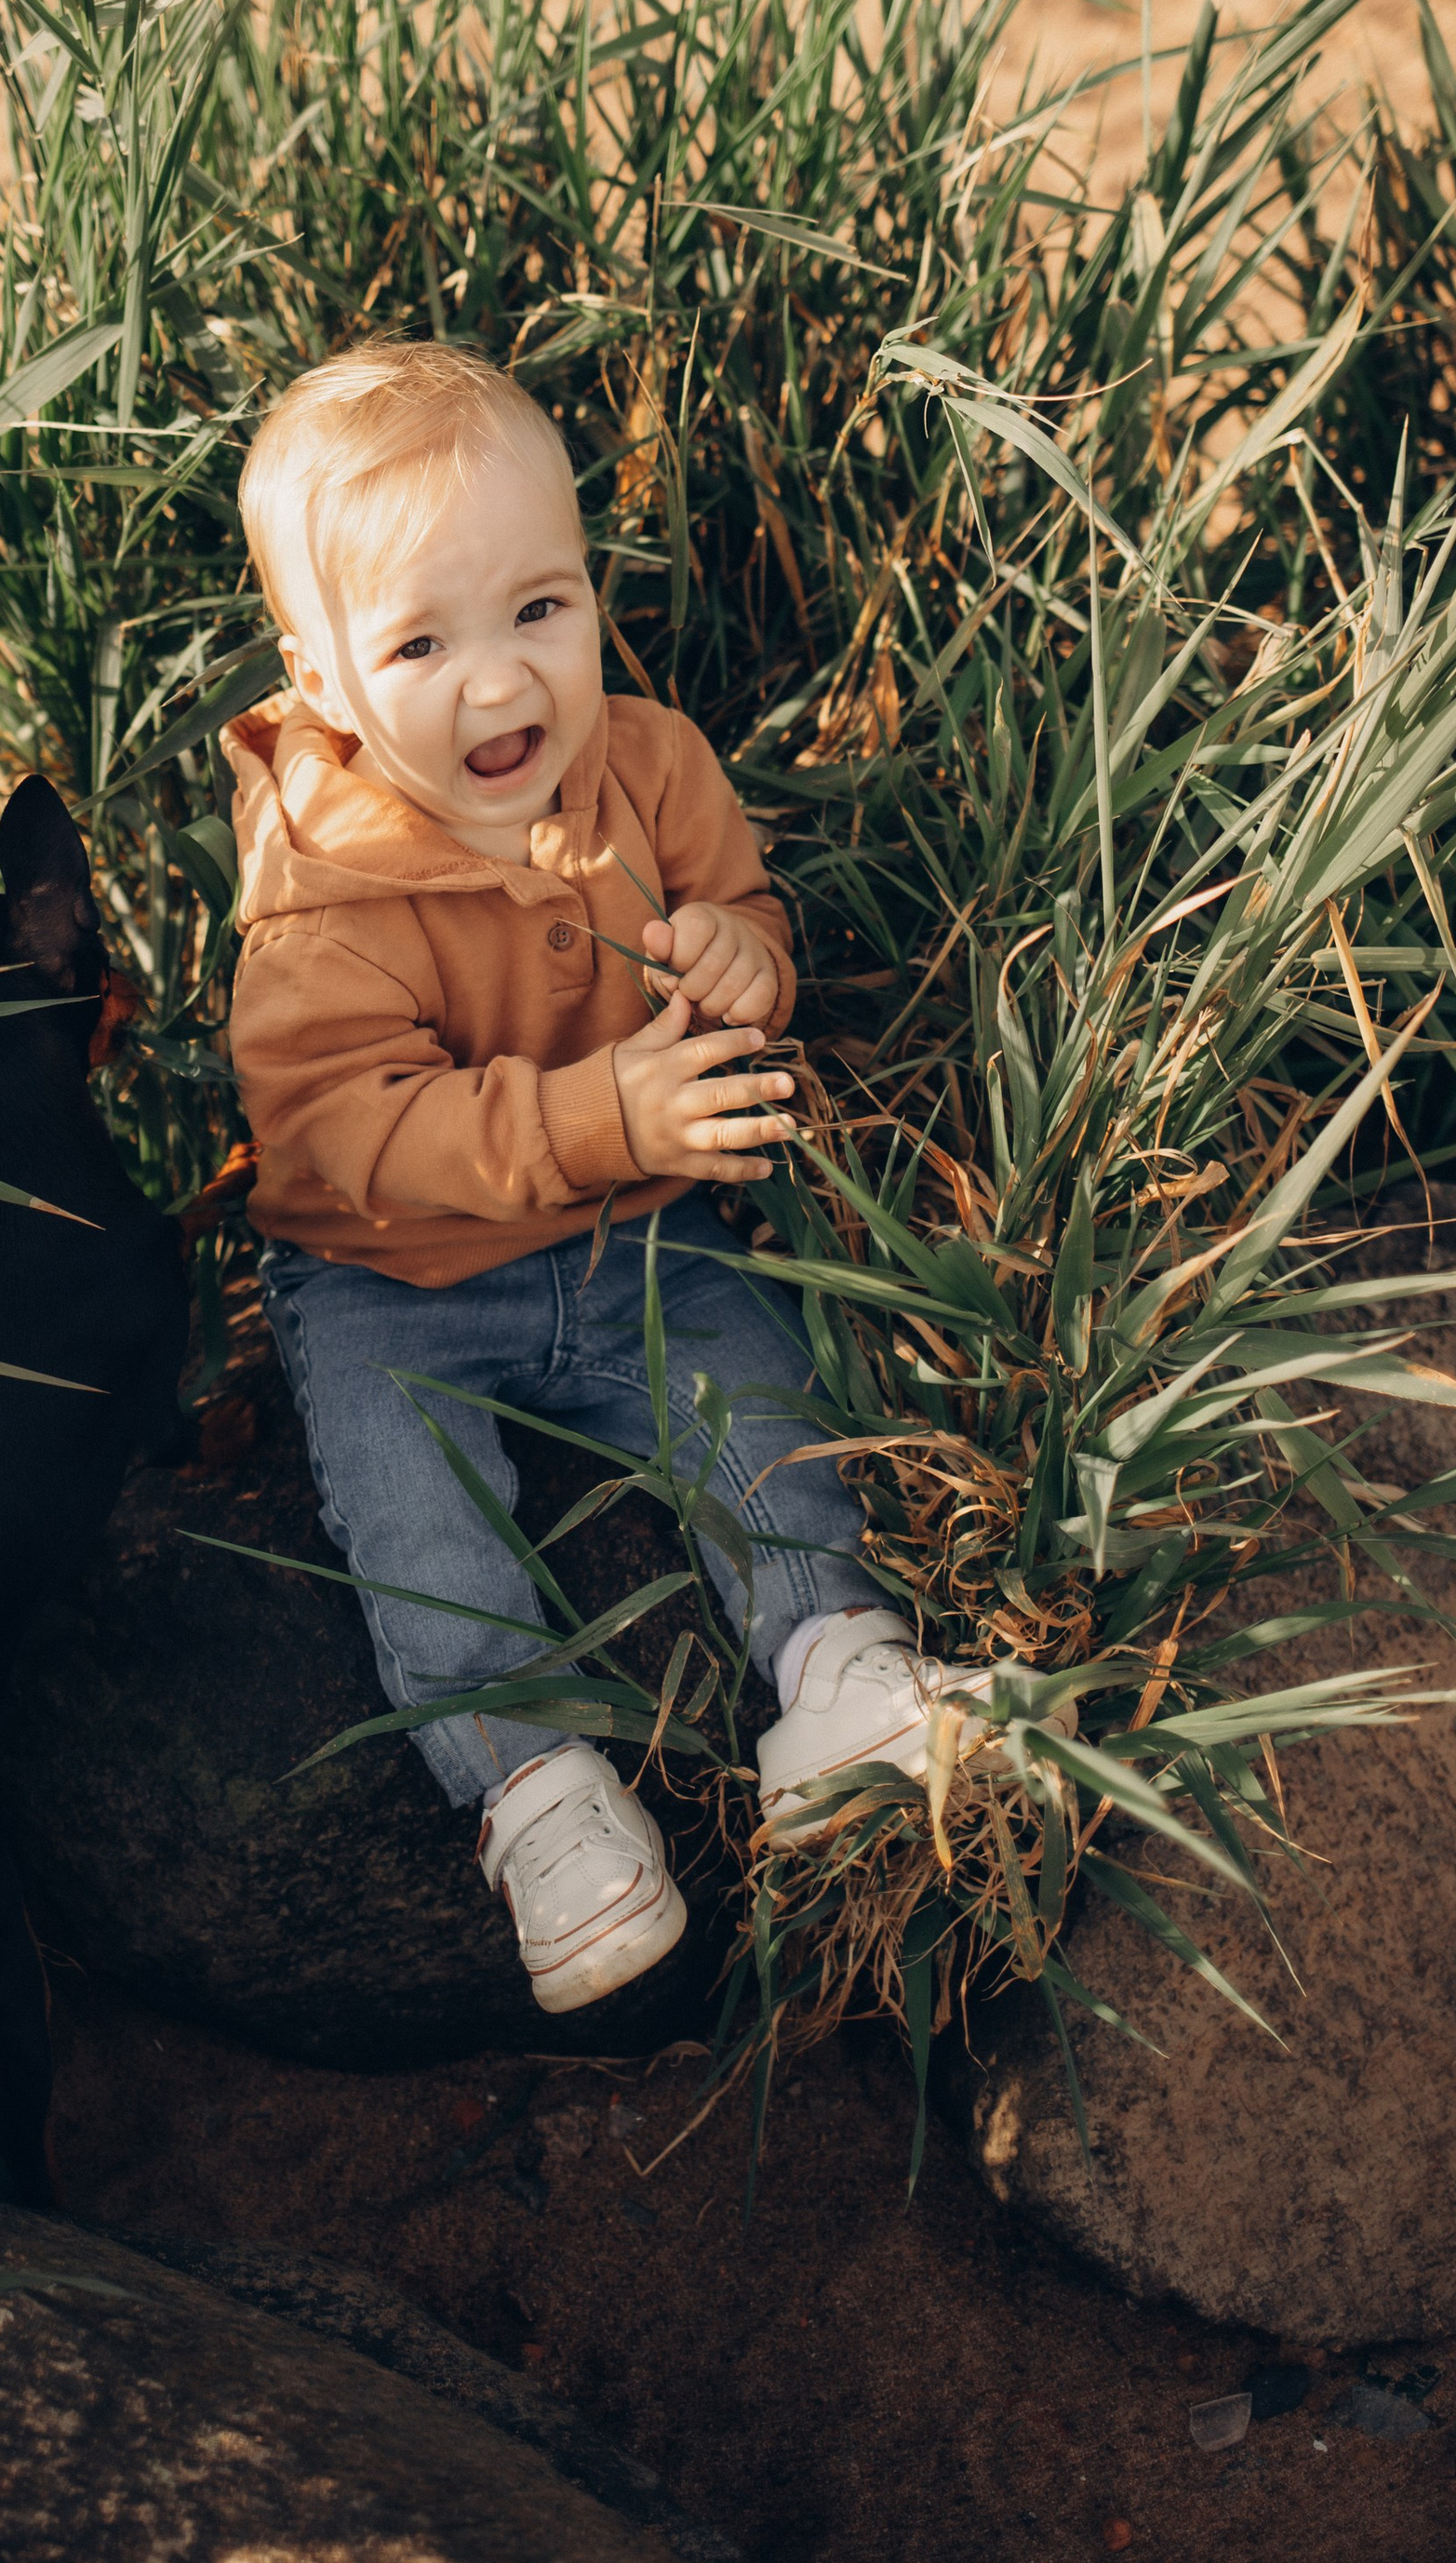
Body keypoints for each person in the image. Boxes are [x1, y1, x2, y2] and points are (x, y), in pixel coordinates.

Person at [224, 340, 992, 2013]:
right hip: (393, 1274)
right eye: (422, 643)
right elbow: (338, 1135)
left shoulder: (650, 764)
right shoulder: (316, 894)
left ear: (589, 588)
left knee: (749, 1380)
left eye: (540, 612)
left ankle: (835, 1665)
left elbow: (754, 919)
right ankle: (533, 1791)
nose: (500, 687)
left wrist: (741, 958)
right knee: (408, 1495)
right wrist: (595, 1121)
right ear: (327, 681)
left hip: (637, 1225)